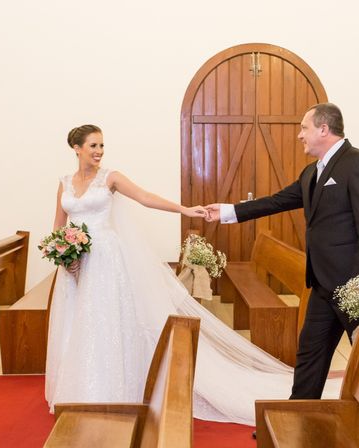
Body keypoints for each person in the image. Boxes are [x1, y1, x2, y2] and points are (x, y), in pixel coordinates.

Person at [45, 124, 305, 423]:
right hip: (76, 262)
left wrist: (184, 209)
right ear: (77, 148)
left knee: (104, 319)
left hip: (105, 259)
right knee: (77, 320)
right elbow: (58, 225)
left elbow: (145, 197)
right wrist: (63, 254)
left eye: (102, 145)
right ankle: (77, 387)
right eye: (93, 146)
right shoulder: (64, 183)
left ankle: (109, 388)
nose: (99, 151)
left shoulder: (111, 177)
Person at [206, 103, 359, 401]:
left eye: (304, 128)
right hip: (322, 283)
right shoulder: (311, 173)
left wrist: (357, 285)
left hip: (356, 286)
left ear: (323, 128)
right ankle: (298, 415)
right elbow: (277, 201)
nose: (299, 135)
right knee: (310, 353)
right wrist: (229, 211)